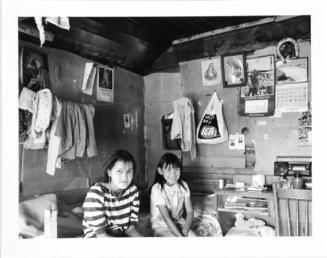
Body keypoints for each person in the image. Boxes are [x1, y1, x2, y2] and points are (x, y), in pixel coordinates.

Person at [82, 150, 141, 237]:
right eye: (119, 171)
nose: (124, 177)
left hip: (119, 234)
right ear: (109, 172)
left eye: (129, 171)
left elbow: (130, 228)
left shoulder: (133, 191)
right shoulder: (96, 194)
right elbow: (102, 235)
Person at [150, 153, 195, 237]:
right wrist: (180, 237)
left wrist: (185, 231)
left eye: (176, 169)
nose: (173, 173)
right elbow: (166, 218)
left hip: (179, 224)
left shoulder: (183, 186)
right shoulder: (157, 189)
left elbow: (190, 212)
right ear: (160, 171)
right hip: (161, 226)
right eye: (168, 169)